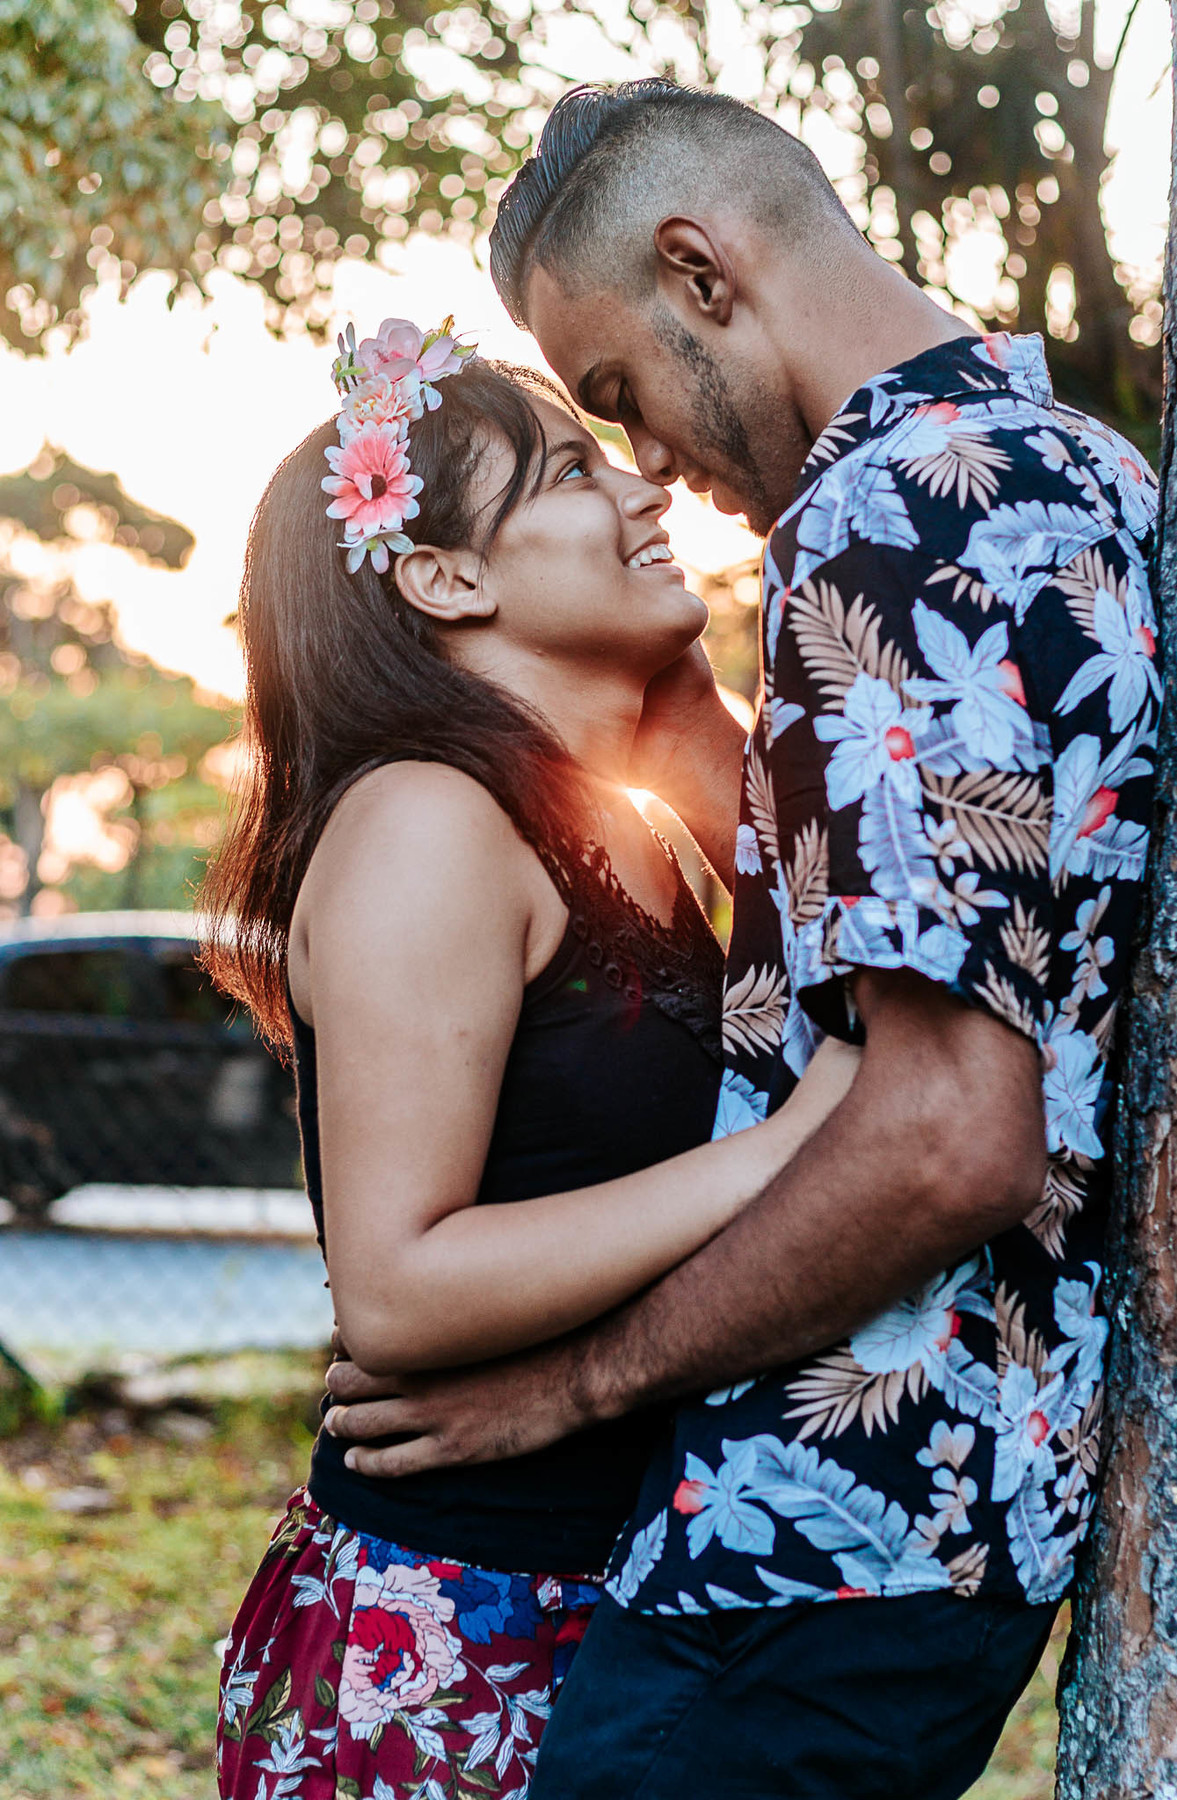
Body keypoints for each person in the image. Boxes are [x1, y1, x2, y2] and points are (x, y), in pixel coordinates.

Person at [323, 82, 1163, 1799]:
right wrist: (676, 683)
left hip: (823, 1521)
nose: (644, 464)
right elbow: (869, 885)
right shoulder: (1057, 463)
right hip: (945, 1504)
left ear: (703, 271)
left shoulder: (890, 522)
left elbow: (945, 1136)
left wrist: (569, 1390)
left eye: (621, 396)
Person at [203, 315, 860, 1799]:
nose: (649, 493)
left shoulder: (608, 818)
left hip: (607, 1616)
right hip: (450, 1639)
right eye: (573, 471)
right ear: (443, 574)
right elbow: (400, 1282)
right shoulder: (425, 824)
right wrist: (775, 1156)